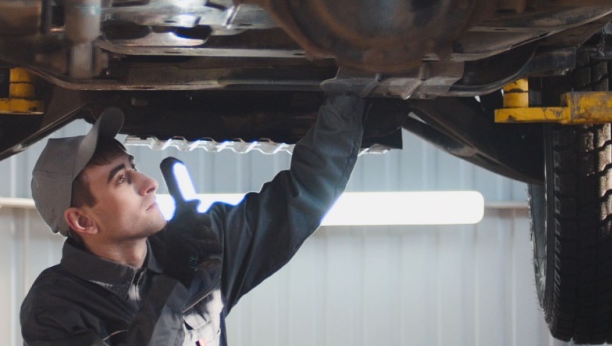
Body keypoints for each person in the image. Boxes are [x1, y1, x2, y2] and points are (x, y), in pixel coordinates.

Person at [20, 95, 368, 345]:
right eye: (122, 180)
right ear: (82, 221)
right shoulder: (54, 311)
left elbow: (300, 199)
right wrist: (173, 282)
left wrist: (348, 94)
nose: (149, 184)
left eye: (133, 167)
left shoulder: (197, 245)